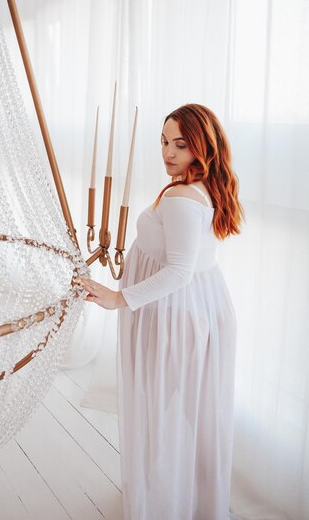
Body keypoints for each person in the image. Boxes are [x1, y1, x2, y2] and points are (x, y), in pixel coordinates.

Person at [81, 103, 244, 520]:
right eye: (164, 141)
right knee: (184, 412)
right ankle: (180, 498)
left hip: (176, 315)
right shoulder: (202, 187)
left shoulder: (182, 197)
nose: (168, 152)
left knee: (162, 411)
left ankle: (166, 502)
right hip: (194, 311)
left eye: (180, 144)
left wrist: (119, 297)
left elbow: (179, 271)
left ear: (201, 147)